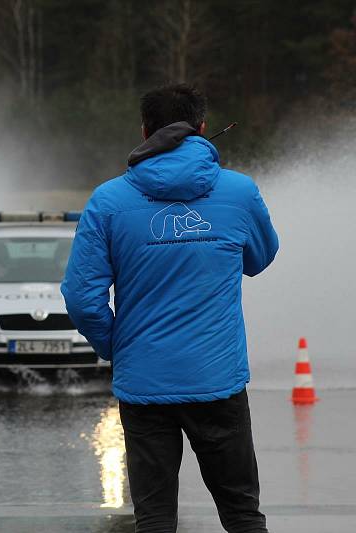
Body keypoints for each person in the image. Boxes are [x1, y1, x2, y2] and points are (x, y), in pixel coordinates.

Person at [61, 84, 279, 533]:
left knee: (155, 518)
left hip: (144, 384)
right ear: (202, 129)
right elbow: (260, 259)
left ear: (144, 131)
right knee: (242, 513)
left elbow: (82, 298)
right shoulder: (239, 192)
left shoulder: (108, 201)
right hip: (217, 380)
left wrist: (119, 347)